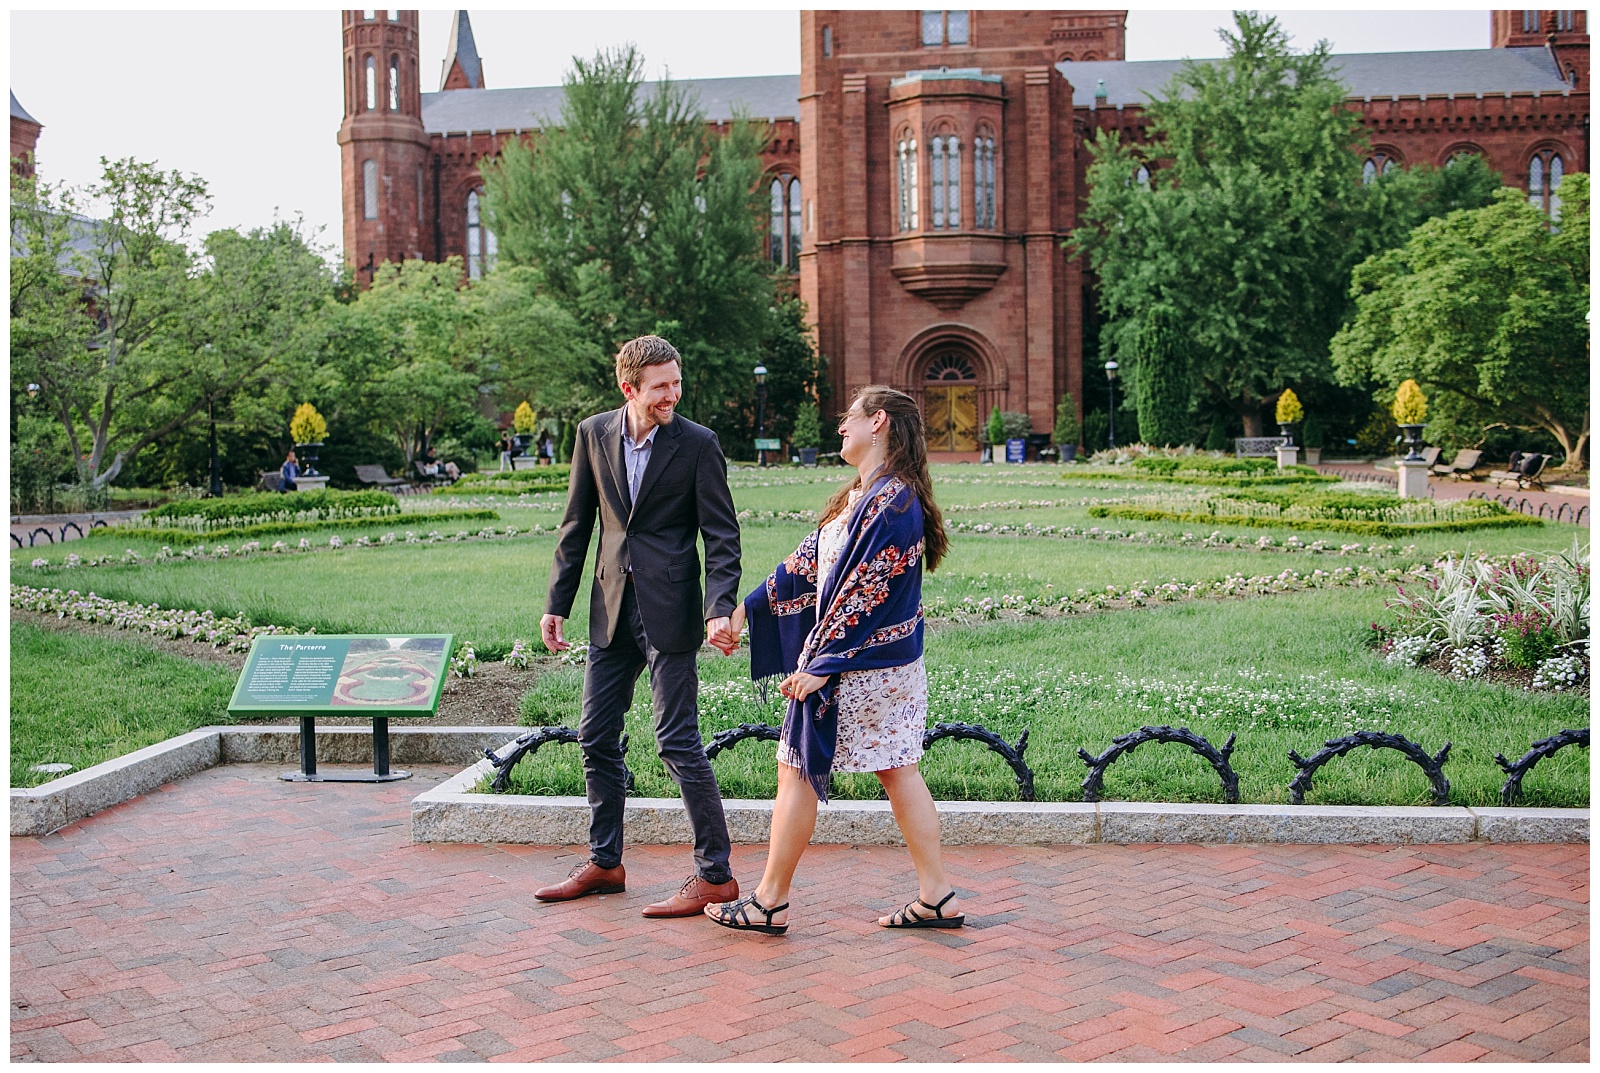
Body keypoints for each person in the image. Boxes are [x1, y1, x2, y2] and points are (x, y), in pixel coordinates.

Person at [704, 386, 962, 935]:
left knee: (797, 768)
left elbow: (866, 594)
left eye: (850, 418)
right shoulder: (862, 497)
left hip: (860, 667)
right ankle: (936, 896)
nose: (841, 428)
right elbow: (803, 566)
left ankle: (769, 900)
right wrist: (744, 614)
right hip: (877, 664)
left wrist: (822, 661)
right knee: (896, 769)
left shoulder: (893, 503)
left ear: (879, 422)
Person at [537, 335, 743, 917]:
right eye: (660, 387)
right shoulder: (592, 433)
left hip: (672, 610)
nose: (672, 396)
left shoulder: (698, 444)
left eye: (676, 383)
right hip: (609, 608)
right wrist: (558, 602)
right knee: (595, 736)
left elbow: (721, 536)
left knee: (676, 740)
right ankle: (605, 863)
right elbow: (576, 523)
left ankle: (715, 875)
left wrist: (717, 607)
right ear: (629, 388)